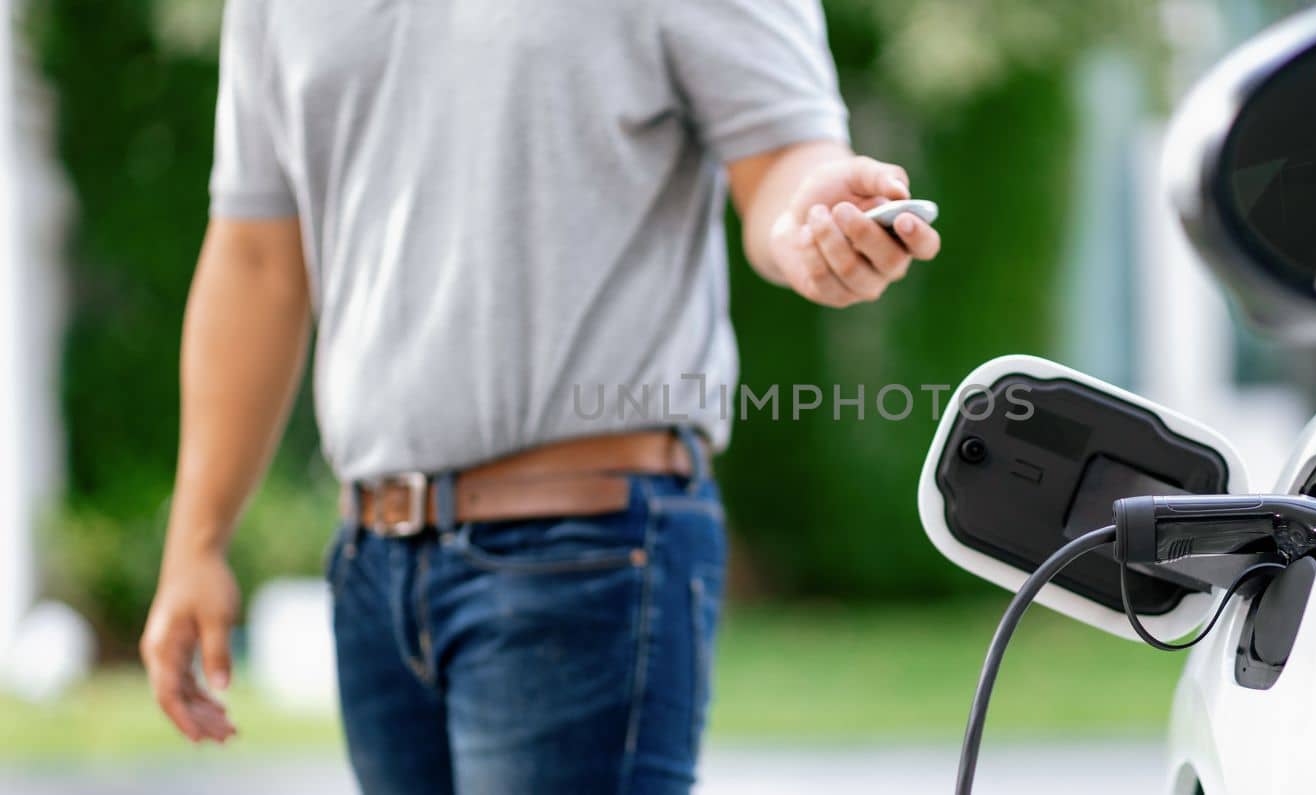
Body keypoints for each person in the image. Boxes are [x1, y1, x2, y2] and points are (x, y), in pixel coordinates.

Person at [138, 1, 941, 793]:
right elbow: (256, 255)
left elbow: (783, 164)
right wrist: (194, 544)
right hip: (372, 562)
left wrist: (821, 218)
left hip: (586, 548)